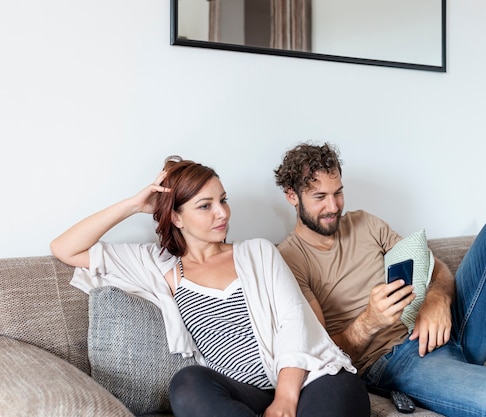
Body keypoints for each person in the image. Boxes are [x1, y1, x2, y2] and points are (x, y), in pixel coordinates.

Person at [273, 142, 486, 417]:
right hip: (395, 359)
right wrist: (368, 322)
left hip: (447, 327)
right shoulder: (288, 260)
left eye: (338, 192)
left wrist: (436, 301)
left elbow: (435, 266)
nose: (334, 206)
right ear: (292, 196)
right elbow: (318, 354)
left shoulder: (365, 223)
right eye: (320, 197)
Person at [50, 155, 370, 417]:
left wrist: (285, 399)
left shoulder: (258, 252)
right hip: (246, 397)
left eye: (223, 200)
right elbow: (65, 248)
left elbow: (294, 322)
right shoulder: (160, 266)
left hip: (313, 381)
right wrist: (134, 205)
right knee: (188, 382)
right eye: (205, 206)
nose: (223, 213)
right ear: (176, 218)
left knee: (335, 386)